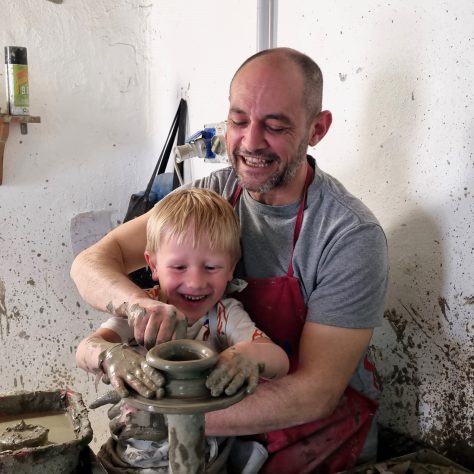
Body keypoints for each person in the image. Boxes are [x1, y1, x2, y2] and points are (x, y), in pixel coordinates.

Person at [71, 47, 389, 473]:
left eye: (275, 126)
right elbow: (91, 262)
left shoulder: (348, 236)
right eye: (239, 121)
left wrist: (160, 415)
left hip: (316, 437)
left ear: (317, 129)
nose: (250, 142)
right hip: (218, 434)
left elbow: (315, 393)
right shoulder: (211, 198)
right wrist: (138, 305)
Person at [76, 188, 290, 472]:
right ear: (152, 265)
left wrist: (249, 354)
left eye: (212, 267)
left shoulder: (225, 317)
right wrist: (110, 356)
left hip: (204, 457)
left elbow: (279, 361)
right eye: (178, 267)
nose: (196, 282)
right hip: (132, 455)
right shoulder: (143, 312)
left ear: (231, 270)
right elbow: (85, 349)